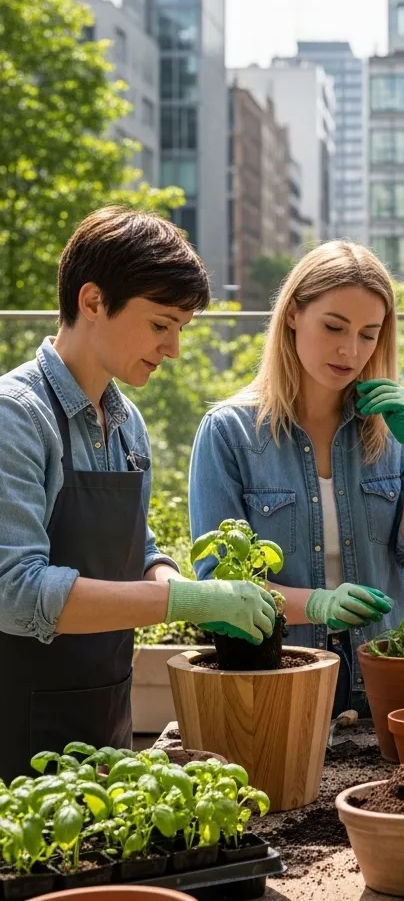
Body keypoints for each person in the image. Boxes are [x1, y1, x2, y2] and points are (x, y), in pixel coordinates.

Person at [0, 207, 278, 780]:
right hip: (16, 731)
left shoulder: (127, 423)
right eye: (160, 324)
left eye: (182, 329)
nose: (173, 349)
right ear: (93, 301)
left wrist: (188, 588)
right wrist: (180, 604)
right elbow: (15, 592)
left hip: (104, 716)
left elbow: (138, 550)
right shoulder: (17, 417)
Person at [189, 241, 404, 717]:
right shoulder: (229, 433)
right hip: (283, 685)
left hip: (392, 684)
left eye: (368, 335)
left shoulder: (396, 424)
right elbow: (218, 589)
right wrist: (317, 604)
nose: (349, 350)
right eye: (334, 327)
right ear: (293, 314)